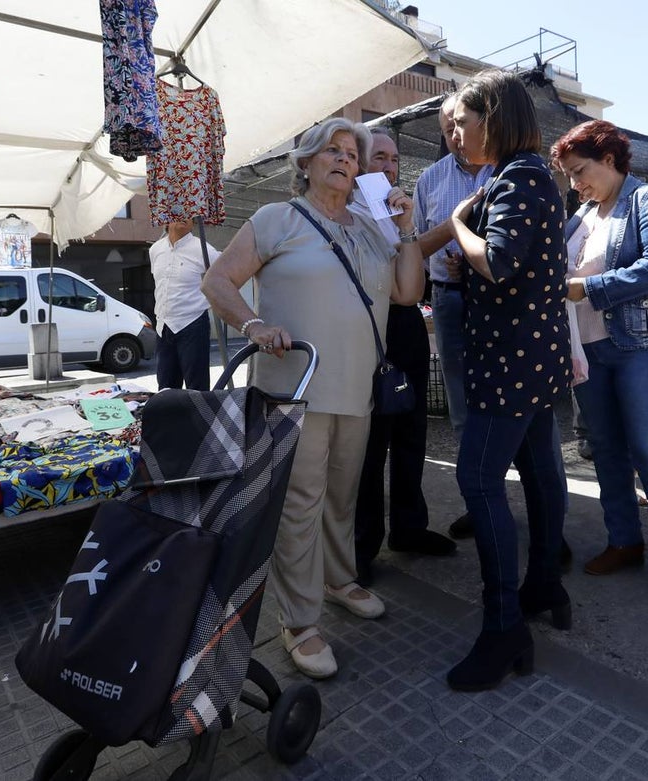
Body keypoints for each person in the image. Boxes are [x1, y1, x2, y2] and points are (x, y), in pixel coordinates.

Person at [201, 118, 425, 680]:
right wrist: (254, 325)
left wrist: (408, 227)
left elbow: (407, 292)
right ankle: (300, 621)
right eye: (333, 150)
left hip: (357, 389)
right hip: (293, 391)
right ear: (304, 162)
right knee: (301, 503)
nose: (346, 159)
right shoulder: (277, 219)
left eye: (354, 153)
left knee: (343, 496)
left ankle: (339, 577)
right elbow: (218, 282)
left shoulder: (374, 228)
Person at [443, 70, 572, 692]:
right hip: (531, 356)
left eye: (461, 123)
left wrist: (460, 226)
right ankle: (544, 583)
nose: (455, 134)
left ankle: (504, 628)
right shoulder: (529, 177)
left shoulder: (519, 177)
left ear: (492, 118)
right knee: (540, 469)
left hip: (510, 360)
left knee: (477, 478)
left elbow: (496, 262)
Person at [551, 119, 648, 609]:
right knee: (606, 450)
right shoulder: (582, 215)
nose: (575, 183)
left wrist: (587, 287)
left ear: (610, 160)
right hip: (590, 348)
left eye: (580, 171)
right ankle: (625, 542)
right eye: (569, 176)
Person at [352, 128, 455, 588]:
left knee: (412, 433)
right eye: (380, 157)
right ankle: (362, 546)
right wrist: (450, 228)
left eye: (394, 159)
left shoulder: (397, 209)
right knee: (372, 443)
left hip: (407, 322)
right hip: (370, 329)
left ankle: (409, 529)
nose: (390, 167)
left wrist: (410, 228)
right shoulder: (350, 213)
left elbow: (410, 275)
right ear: (357, 163)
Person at [412, 92, 495, 539]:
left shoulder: (505, 169)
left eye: (461, 124)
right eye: (448, 128)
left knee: (511, 405)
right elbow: (419, 242)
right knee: (462, 407)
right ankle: (477, 504)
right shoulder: (429, 179)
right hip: (448, 298)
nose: (456, 136)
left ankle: (532, 511)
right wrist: (441, 261)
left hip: (501, 300)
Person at [148, 218, 215, 391]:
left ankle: (198, 418)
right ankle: (171, 418)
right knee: (166, 387)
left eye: (190, 214)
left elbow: (225, 278)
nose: (185, 216)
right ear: (167, 218)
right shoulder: (155, 250)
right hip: (163, 325)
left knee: (197, 387)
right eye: (179, 210)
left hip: (192, 323)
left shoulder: (204, 250)